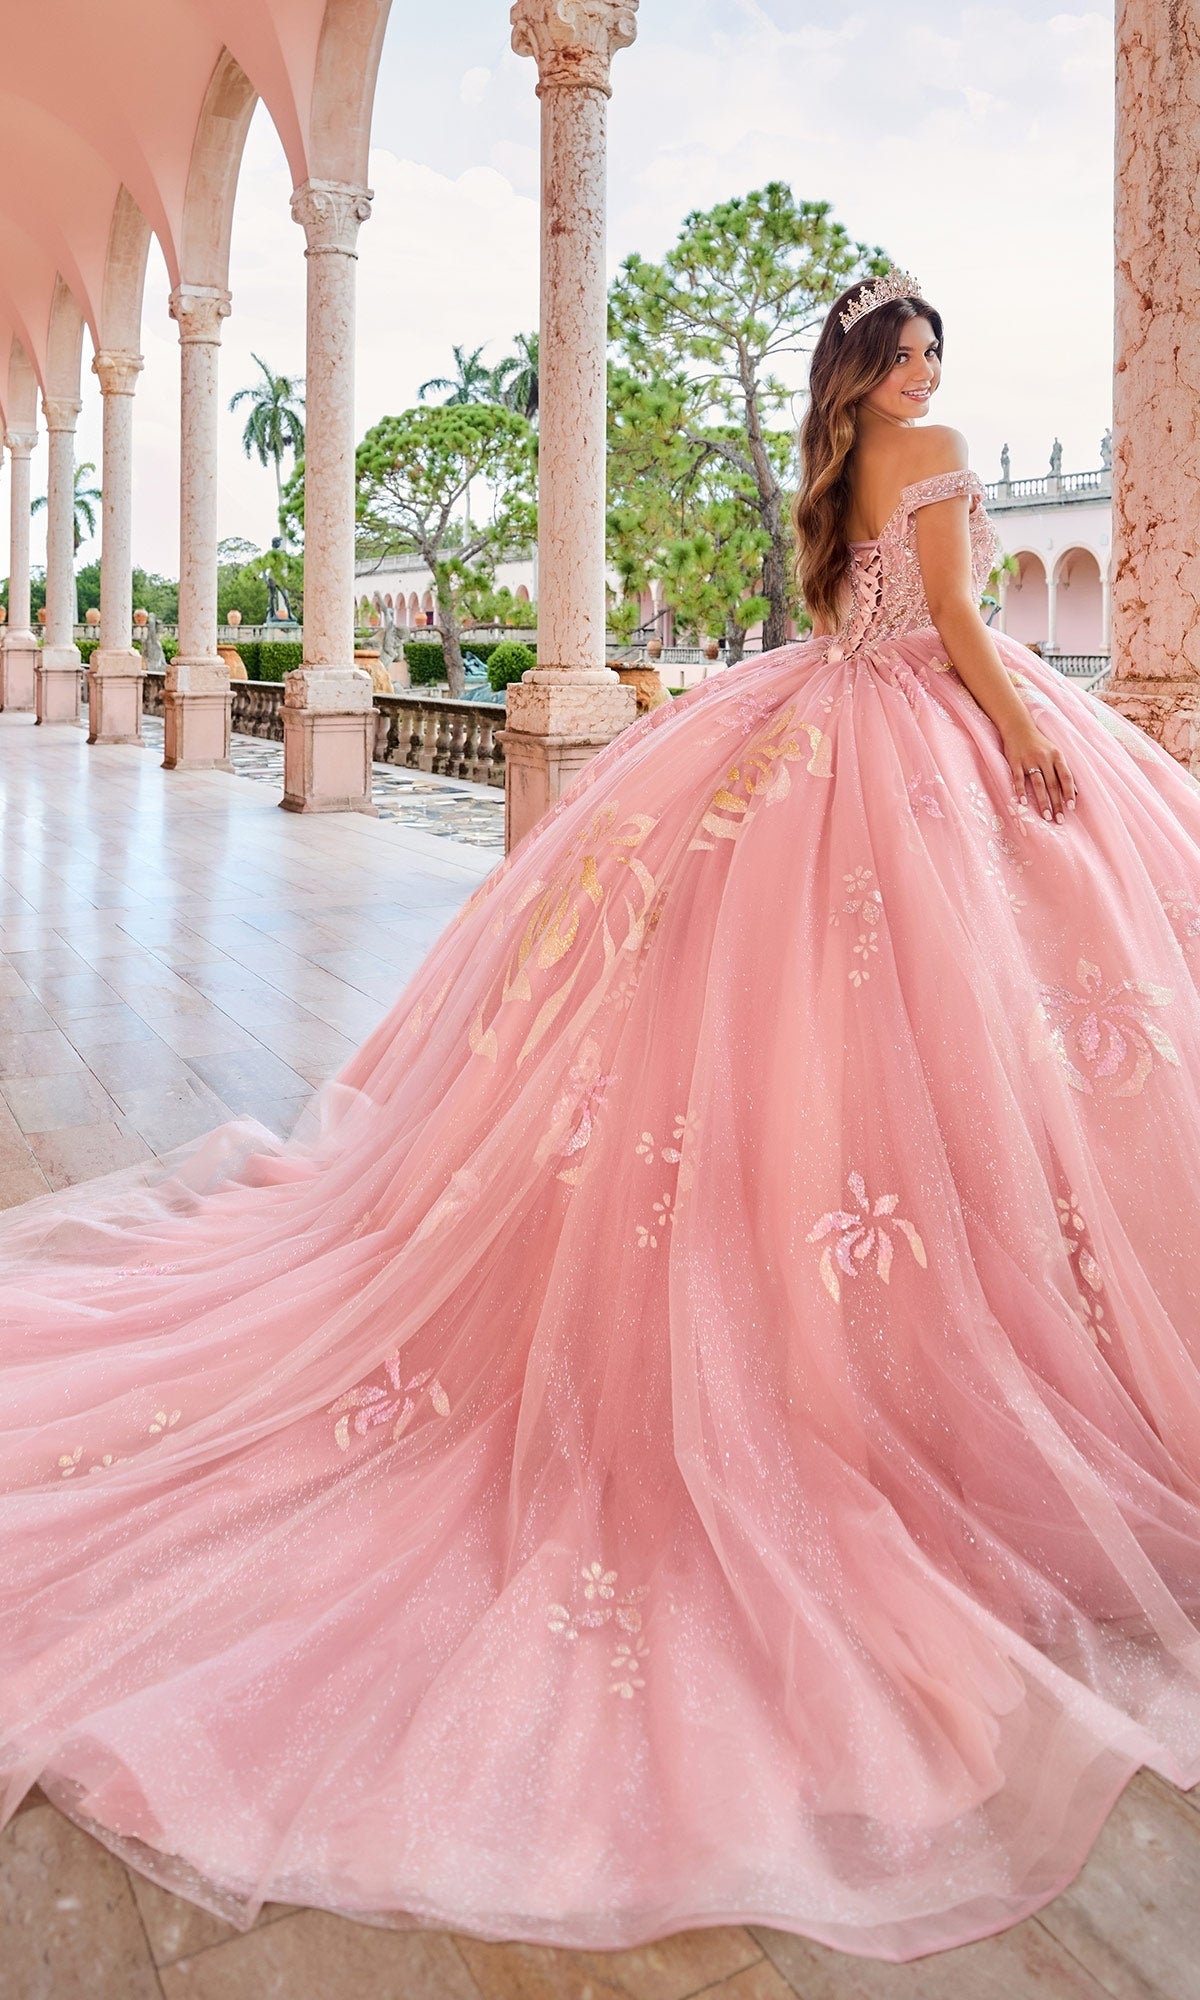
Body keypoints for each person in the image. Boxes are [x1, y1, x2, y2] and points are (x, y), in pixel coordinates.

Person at [3, 271, 1200, 1966]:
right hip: (919, 751)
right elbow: (962, 629)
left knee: (800, 1035)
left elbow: (859, 620)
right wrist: (1027, 745)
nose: (930, 370)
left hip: (811, 734)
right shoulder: (932, 460)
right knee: (959, 1034)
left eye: (937, 349)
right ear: (869, 369)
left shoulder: (843, 465)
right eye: (909, 349)